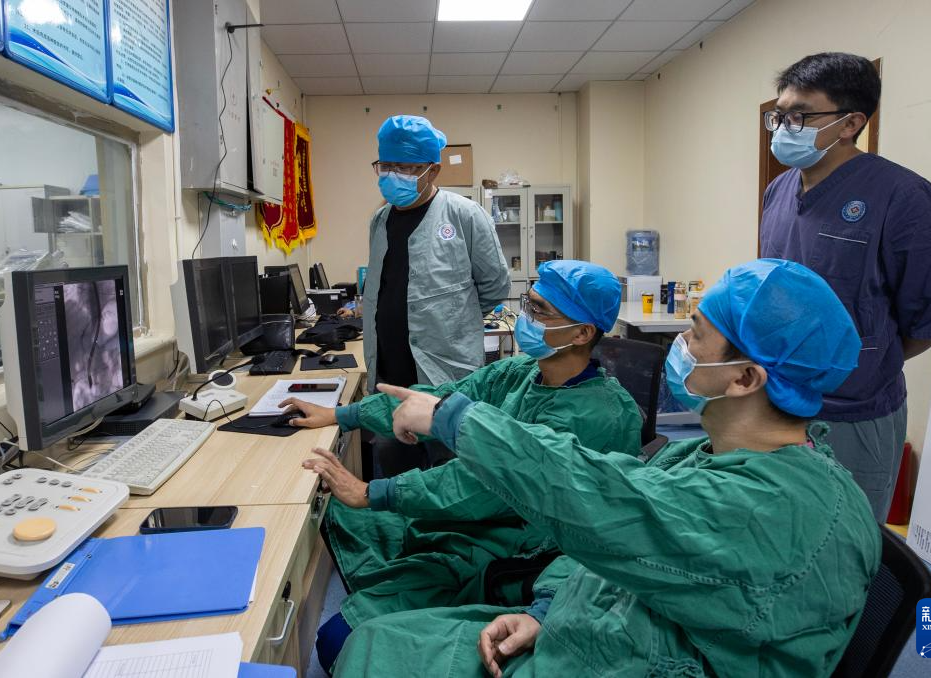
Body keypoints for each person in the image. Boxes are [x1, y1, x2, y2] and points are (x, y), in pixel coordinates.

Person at [333, 259, 881, 678]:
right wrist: (545, 609)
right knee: (372, 640)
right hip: (586, 623)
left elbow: (597, 496)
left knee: (364, 649)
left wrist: (455, 422)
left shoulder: (772, 508)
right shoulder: (713, 455)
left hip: (626, 657)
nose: (679, 345)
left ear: (744, 378)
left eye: (694, 334)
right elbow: (615, 534)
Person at [280, 260, 643, 674]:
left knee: (337, 640)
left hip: (521, 550)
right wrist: (343, 415)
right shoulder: (523, 373)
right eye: (528, 303)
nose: (525, 317)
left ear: (582, 333)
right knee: (342, 517)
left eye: (540, 311)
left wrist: (370, 492)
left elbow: (480, 486)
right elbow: (444, 398)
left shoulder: (599, 416)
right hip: (478, 523)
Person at [760, 52, 931, 521]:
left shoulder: (903, 196)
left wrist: (862, 358)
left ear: (851, 123)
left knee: (846, 541)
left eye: (800, 116)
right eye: (780, 116)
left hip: (855, 411)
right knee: (781, 535)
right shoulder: (779, 191)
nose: (785, 128)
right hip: (778, 399)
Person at [364, 114, 509, 475]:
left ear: (433, 171)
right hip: (389, 376)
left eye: (407, 167)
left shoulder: (465, 215)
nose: (394, 175)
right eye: (387, 165)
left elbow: (495, 285)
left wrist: (453, 319)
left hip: (446, 373)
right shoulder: (379, 221)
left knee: (451, 474)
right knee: (397, 478)